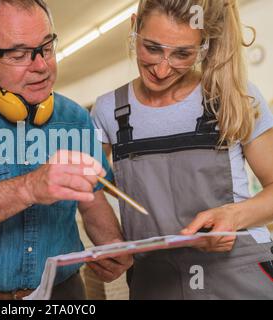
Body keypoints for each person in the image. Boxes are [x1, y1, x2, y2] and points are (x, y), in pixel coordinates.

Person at [0, 0, 132, 300]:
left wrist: (112, 245)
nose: (41, 66)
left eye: (46, 48)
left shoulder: (75, 119)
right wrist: (29, 187)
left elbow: (93, 201)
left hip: (64, 294)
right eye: (19, 54)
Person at [92, 0, 273, 299]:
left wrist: (234, 216)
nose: (162, 70)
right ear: (134, 26)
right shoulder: (109, 110)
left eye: (182, 54)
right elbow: (88, 189)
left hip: (238, 275)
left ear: (203, 47)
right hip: (154, 282)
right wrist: (110, 241)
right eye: (151, 48)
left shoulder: (233, 97)